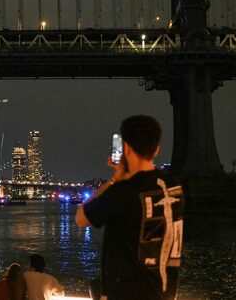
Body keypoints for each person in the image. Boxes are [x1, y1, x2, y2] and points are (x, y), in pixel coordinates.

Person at [76, 115, 184, 300]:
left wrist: (115, 179)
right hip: (165, 293)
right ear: (156, 149)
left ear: (126, 148)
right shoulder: (173, 186)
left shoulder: (121, 191)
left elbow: (81, 218)